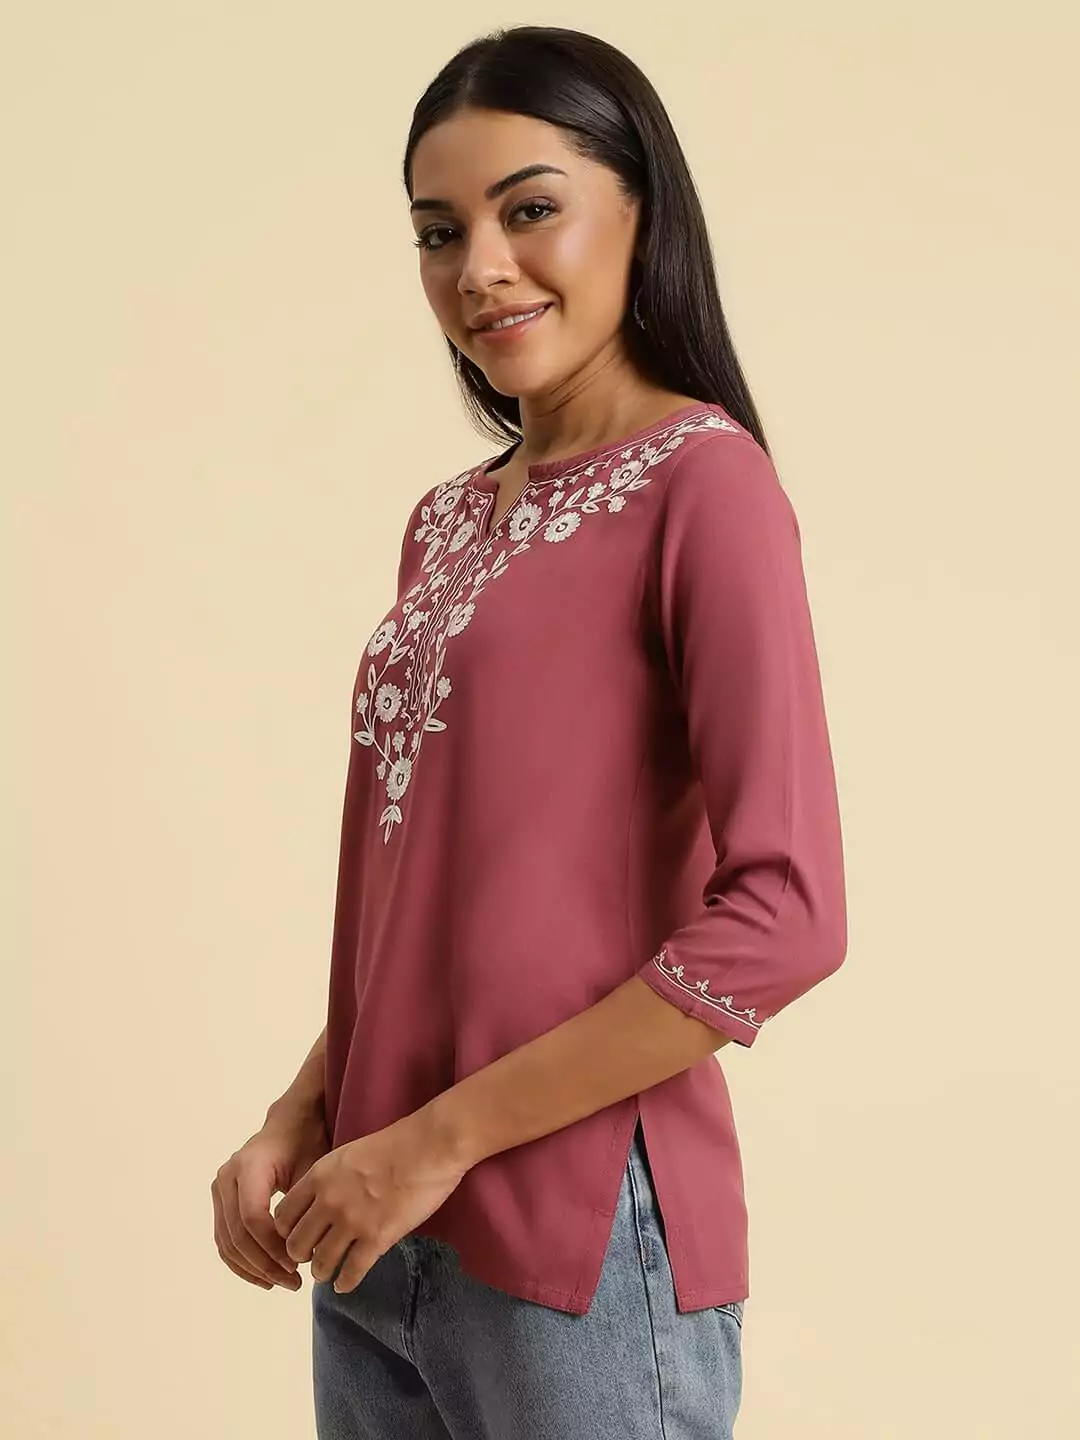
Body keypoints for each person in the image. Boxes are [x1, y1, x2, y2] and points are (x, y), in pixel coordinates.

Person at [210, 24, 848, 1439]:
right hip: (378, 1224)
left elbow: (788, 915)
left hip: (575, 1238)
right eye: (440, 232)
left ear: (642, 212)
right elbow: (438, 910)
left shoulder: (705, 489)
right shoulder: (443, 523)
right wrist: (302, 1118)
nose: (479, 267)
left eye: (530, 209)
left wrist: (432, 1144)